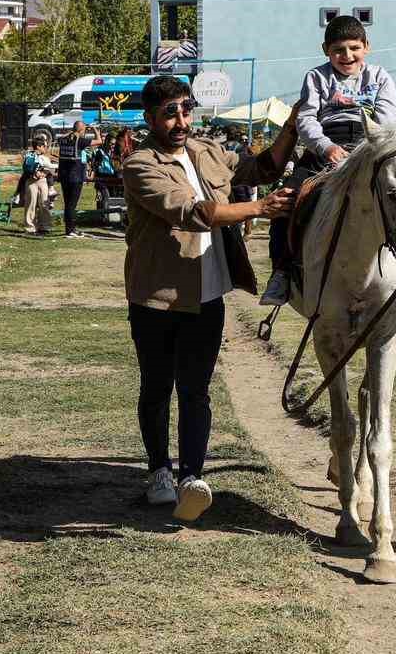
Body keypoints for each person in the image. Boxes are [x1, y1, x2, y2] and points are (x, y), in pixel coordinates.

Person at [123, 76, 299, 521]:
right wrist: (259, 209)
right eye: (170, 113)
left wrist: (295, 124)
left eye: (185, 109)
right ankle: (160, 471)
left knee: (197, 390)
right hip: (158, 298)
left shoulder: (205, 151)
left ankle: (192, 478)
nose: (181, 120)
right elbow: (195, 213)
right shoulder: (140, 164)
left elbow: (261, 167)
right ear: (150, 118)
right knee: (158, 387)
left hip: (207, 298)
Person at [261, 14, 396, 305]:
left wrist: (367, 149)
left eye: (353, 48)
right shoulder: (316, 77)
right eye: (338, 50)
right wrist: (326, 148)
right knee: (287, 198)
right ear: (326, 50)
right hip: (324, 147)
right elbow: (307, 118)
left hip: (368, 144)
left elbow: (387, 119)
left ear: (366, 47)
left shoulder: (380, 77)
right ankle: (282, 271)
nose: (346, 55)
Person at [56, 120, 99, 239]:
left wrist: (75, 130)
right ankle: (70, 231)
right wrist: (95, 130)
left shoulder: (64, 140)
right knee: (72, 205)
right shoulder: (80, 141)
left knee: (67, 203)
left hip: (64, 176)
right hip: (76, 177)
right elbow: (99, 141)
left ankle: (69, 228)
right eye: (84, 129)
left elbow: (65, 136)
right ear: (81, 130)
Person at [18, 138, 55, 234]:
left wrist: (44, 173)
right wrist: (33, 174)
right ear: (38, 146)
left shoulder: (45, 157)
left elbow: (49, 169)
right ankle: (30, 227)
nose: (46, 148)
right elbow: (26, 169)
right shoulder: (29, 155)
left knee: (44, 204)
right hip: (31, 182)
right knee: (31, 204)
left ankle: (45, 226)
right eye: (44, 146)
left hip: (43, 181)